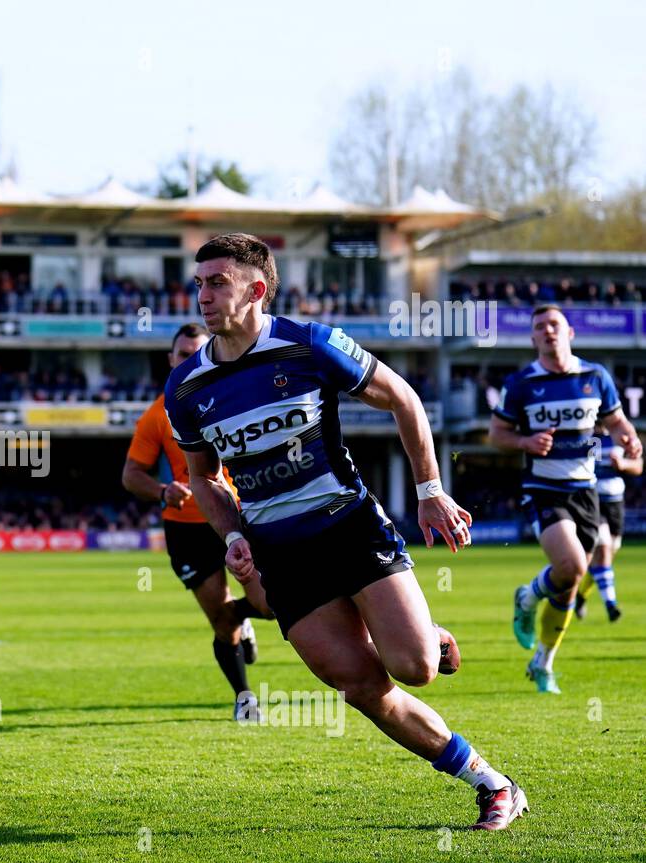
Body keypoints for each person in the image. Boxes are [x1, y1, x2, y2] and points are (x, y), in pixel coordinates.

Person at [165, 232, 526, 831]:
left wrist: (431, 492)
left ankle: (418, 631)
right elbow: (203, 478)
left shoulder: (309, 345)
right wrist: (230, 535)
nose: (201, 294)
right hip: (280, 554)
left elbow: (404, 400)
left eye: (216, 282)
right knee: (360, 684)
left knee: (414, 669)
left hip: (348, 527)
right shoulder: (186, 389)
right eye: (198, 282)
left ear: (256, 290)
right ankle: (491, 782)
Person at [123, 321, 272, 721]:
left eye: (197, 353)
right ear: (170, 361)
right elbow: (131, 474)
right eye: (183, 355)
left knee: (271, 605)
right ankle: (245, 698)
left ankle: (247, 618)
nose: (190, 360)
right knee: (222, 622)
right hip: (185, 529)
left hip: (235, 519)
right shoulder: (156, 416)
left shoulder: (234, 399)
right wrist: (162, 491)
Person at [489, 306, 642, 693]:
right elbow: (496, 435)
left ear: (570, 332)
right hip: (543, 489)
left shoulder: (595, 376)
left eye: (554, 325)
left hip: (585, 491)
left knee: (569, 587)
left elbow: (615, 420)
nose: (548, 331)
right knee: (572, 565)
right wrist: (524, 441)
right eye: (540, 327)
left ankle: (543, 662)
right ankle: (525, 598)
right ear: (533, 339)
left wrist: (629, 436)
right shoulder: (521, 383)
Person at [576, 430, 643, 622]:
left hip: (615, 501)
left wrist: (623, 464)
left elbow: (638, 465)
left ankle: (581, 596)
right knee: (603, 549)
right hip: (591, 500)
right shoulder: (582, 434)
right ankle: (611, 605)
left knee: (607, 555)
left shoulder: (622, 433)